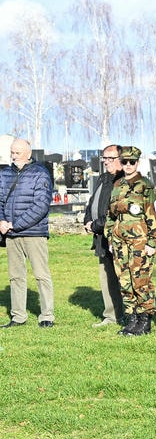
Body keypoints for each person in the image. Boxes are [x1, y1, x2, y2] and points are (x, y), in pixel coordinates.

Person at [106, 146, 156, 336]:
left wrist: (152, 242)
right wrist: (110, 237)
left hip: (140, 241)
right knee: (124, 280)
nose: (128, 165)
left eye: (132, 162)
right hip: (119, 240)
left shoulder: (145, 185)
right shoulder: (117, 185)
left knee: (141, 280)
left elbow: (154, 215)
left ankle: (144, 319)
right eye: (124, 162)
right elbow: (110, 214)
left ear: (138, 162)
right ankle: (132, 318)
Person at [0, 138, 55, 329]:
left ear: (28, 154)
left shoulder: (40, 173)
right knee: (15, 276)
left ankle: (47, 315)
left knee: (41, 274)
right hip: (11, 233)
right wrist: (2, 221)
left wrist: (15, 224)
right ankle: (18, 316)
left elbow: (40, 206)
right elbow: (0, 201)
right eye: (12, 152)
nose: (14, 156)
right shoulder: (5, 173)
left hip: (34, 232)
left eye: (18, 152)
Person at [83, 145, 125, 328]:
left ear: (120, 158)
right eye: (104, 158)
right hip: (101, 238)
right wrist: (87, 220)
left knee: (122, 277)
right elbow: (92, 202)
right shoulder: (103, 178)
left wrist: (96, 225)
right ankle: (111, 315)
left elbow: (114, 212)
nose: (106, 162)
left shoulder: (123, 180)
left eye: (110, 158)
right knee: (106, 276)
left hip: (117, 236)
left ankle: (128, 315)